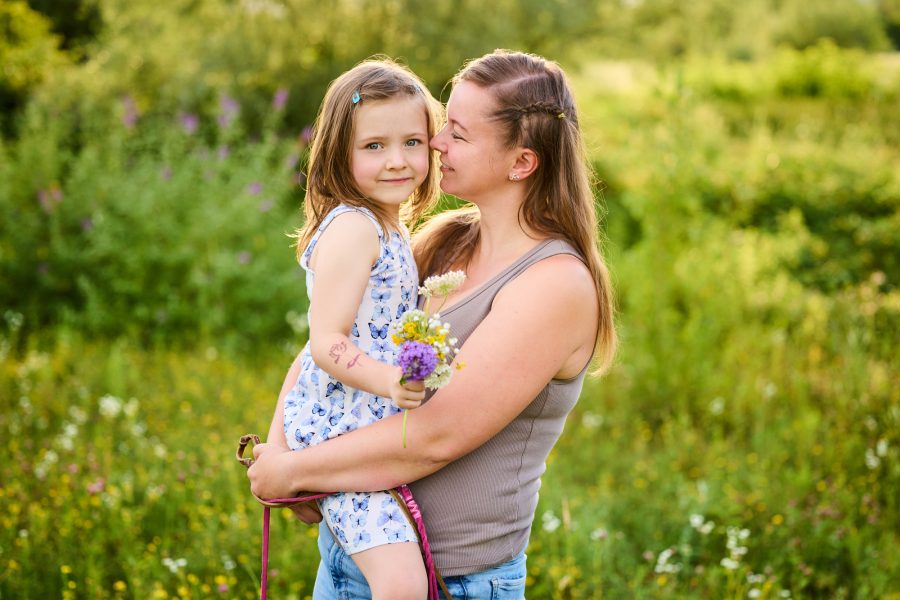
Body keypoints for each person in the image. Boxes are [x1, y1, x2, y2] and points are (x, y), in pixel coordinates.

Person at [248, 49, 617, 599]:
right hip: (353, 557)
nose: (435, 143)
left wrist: (299, 473)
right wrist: (280, 453)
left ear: (521, 162)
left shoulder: (554, 284)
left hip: (454, 582)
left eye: (458, 134)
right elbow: (329, 342)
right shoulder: (441, 240)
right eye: (442, 126)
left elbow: (434, 436)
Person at [263, 58, 443, 600]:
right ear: (340, 153)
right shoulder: (353, 229)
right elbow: (325, 343)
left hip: (362, 429)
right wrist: (391, 380)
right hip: (340, 435)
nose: (397, 161)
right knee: (403, 586)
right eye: (373, 147)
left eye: (413, 142)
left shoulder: (388, 226)